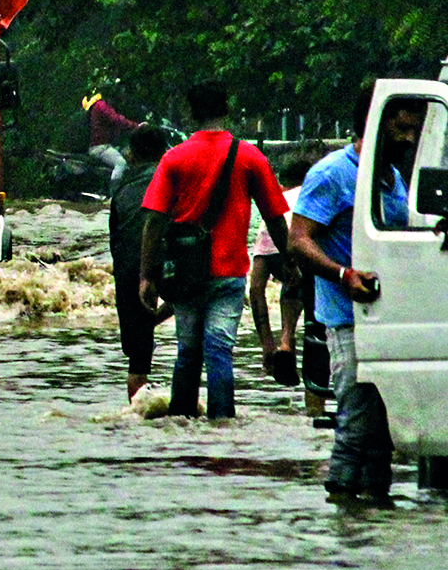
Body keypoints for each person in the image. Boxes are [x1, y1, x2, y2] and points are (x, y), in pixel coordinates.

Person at [292, 90, 427, 500]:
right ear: (373, 124)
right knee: (354, 426)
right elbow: (299, 240)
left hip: (385, 318)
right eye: (400, 129)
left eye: (413, 130)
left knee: (382, 434)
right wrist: (342, 274)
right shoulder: (332, 173)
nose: (409, 139)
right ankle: (341, 505)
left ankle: (370, 517)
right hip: (347, 319)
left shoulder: (393, 179)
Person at [139, 82, 291, 419]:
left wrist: (146, 277)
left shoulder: (174, 158)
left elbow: (154, 222)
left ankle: (180, 425)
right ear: (227, 109)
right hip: (229, 273)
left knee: (187, 352)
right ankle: (222, 428)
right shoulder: (249, 157)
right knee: (220, 351)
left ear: (191, 113)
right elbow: (275, 220)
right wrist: (291, 263)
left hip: (185, 274)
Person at [108, 124, 172, 399]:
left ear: (132, 155)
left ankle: (136, 413)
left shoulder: (122, 193)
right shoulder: (176, 182)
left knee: (137, 358)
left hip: (131, 272)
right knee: (189, 305)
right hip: (175, 267)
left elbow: (116, 246)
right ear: (164, 152)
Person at [248, 151, 318, 396]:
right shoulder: (313, 196)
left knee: (291, 280)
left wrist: (266, 343)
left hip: (279, 254)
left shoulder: (273, 210)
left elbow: (256, 288)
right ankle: (315, 404)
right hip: (311, 257)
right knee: (316, 335)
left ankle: (285, 340)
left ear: (281, 184)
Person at [83, 90, 141, 181]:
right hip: (100, 147)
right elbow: (116, 119)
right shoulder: (101, 105)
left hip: (108, 145)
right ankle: (115, 189)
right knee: (121, 163)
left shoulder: (106, 105)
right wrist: (136, 126)